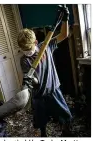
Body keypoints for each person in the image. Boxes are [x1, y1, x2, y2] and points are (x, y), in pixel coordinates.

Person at [17, 6, 73, 137]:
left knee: (65, 115)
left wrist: (65, 19)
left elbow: (64, 35)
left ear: (35, 42)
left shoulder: (45, 46)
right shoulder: (24, 60)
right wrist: (31, 81)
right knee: (40, 121)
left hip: (53, 90)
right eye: (23, 49)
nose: (26, 52)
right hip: (38, 96)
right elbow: (33, 78)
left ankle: (67, 132)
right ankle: (43, 135)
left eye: (28, 48)